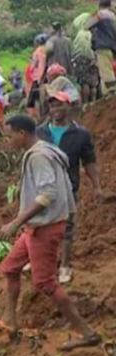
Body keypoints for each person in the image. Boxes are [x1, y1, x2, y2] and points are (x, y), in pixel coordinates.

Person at [0, 114, 101, 351]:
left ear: (22, 134)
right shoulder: (42, 150)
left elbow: (47, 194)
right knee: (10, 268)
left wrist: (15, 222)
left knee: (45, 283)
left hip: (44, 228)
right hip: (37, 227)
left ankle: (87, 333)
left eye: (10, 135)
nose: (8, 140)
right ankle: (9, 321)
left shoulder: (39, 157)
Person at [36, 91, 104, 284]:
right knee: (41, 224)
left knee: (66, 227)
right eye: (52, 106)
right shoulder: (41, 132)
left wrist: (96, 186)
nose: (56, 109)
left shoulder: (80, 134)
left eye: (59, 105)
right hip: (43, 186)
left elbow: (89, 161)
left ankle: (64, 266)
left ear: (69, 106)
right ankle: (41, 261)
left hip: (68, 187)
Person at [86, 0, 116, 94]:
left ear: (100, 5)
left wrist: (93, 15)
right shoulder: (113, 15)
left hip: (102, 46)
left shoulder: (101, 14)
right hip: (112, 47)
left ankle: (111, 91)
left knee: (106, 70)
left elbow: (87, 25)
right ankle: (106, 93)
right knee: (105, 70)